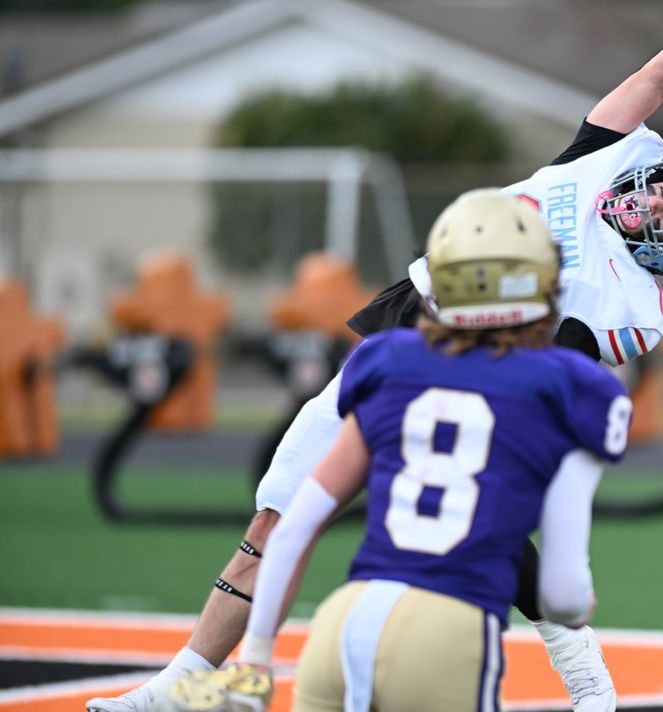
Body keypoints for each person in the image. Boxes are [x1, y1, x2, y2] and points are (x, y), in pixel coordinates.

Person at [85, 0, 663, 712]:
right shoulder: (606, 156)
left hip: (479, 355)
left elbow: (550, 359)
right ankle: (180, 685)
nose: (653, 199)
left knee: (469, 518)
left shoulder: (630, 303)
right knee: (276, 517)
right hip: (410, 315)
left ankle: (584, 673)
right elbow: (659, 74)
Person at [169, 189, 631, 711]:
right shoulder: (576, 386)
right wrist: (573, 617)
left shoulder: (385, 359)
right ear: (543, 284)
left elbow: (295, 527)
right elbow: (565, 590)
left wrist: (254, 656)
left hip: (344, 624)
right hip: (449, 632)